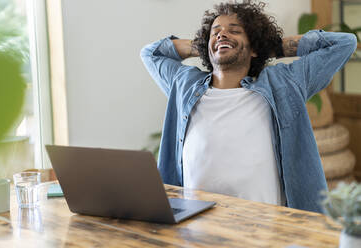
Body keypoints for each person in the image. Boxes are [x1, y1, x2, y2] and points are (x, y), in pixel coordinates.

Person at [140, 0, 357, 213]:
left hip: (263, 230)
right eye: (215, 31)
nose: (221, 34)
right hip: (195, 227)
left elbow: (344, 43)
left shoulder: (282, 84)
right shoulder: (184, 84)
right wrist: (204, 45)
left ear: (254, 47)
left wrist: (269, 47)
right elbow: (151, 53)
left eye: (234, 31)